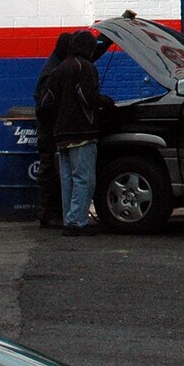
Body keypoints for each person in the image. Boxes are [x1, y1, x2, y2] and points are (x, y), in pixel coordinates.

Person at [45, 31, 112, 235]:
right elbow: (87, 97)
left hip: (60, 134)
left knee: (67, 180)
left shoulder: (59, 68)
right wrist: (106, 102)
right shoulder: (85, 67)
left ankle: (70, 219)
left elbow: (47, 102)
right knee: (84, 179)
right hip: (82, 132)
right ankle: (76, 222)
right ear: (87, 48)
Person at [32, 32, 77, 228]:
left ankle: (51, 213)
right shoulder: (53, 72)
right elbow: (44, 107)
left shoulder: (56, 65)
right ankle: (48, 214)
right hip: (49, 131)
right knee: (50, 172)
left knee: (52, 172)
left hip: (50, 130)